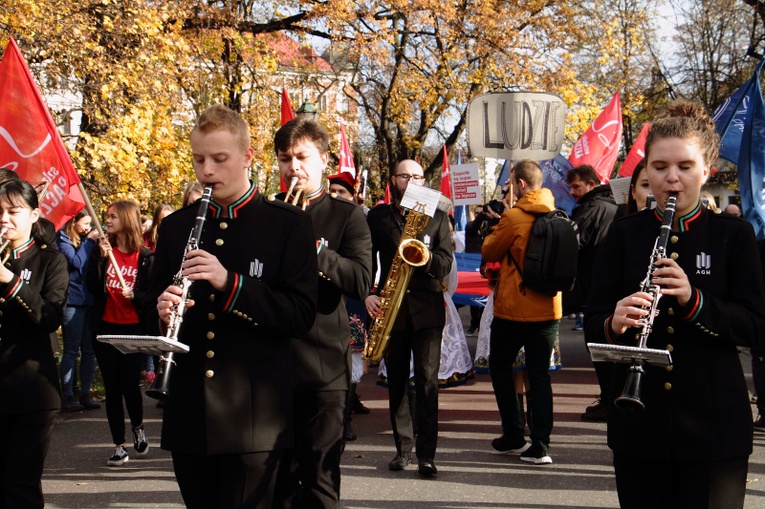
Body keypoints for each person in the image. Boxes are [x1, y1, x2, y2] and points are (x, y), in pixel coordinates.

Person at [586, 100, 765, 508]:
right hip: (639, 424)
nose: (672, 179)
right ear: (645, 170)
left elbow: (757, 327)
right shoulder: (624, 234)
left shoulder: (733, 236)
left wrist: (694, 301)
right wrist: (614, 321)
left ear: (707, 171)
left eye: (685, 167)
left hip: (714, 426)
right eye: (660, 167)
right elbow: (594, 319)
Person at [151, 104, 317, 509]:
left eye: (219, 159)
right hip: (189, 411)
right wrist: (160, 310)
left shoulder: (287, 224)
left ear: (247, 157)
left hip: (254, 418)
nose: (207, 170)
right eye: (199, 159)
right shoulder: (176, 227)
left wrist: (231, 283)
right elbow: (146, 301)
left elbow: (299, 315)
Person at [273, 117, 372, 508]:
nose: (293, 166)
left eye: (301, 157)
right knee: (277, 482)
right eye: (284, 158)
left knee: (320, 481)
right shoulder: (267, 212)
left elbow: (360, 281)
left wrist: (314, 250)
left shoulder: (348, 216)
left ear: (323, 160)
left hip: (323, 369)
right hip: (272, 366)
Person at [365, 159, 452, 477]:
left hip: (427, 312)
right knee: (397, 382)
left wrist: (426, 257)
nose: (411, 181)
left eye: (417, 176)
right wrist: (367, 293)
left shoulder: (438, 217)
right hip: (393, 311)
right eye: (405, 176)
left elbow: (445, 262)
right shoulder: (378, 217)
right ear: (394, 180)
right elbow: (364, 257)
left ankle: (427, 454)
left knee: (428, 384)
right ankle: (403, 450)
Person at [481, 159, 561, 465]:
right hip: (548, 307)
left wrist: (496, 224)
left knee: (501, 367)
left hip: (514, 308)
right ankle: (541, 444)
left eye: (512, 182)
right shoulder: (557, 213)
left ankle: (513, 434)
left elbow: (489, 251)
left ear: (521, 185)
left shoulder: (513, 217)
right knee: (540, 376)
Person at [0, 179, 68, 508]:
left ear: (33, 215)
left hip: (30, 394)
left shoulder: (49, 261)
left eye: (13, 211)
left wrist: (9, 280)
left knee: (19, 489)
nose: (3, 219)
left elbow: (50, 318)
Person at [87, 199, 154, 467]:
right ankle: (118, 445)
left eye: (113, 216)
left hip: (133, 329)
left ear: (126, 219)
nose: (108, 220)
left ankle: (138, 426)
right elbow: (91, 286)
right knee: (112, 389)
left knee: (129, 385)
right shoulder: (103, 251)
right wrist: (99, 259)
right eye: (107, 216)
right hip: (105, 328)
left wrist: (135, 295)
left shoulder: (146, 257)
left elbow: (152, 295)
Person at [565, 164, 618, 421]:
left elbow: (570, 245)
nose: (573, 192)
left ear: (591, 184)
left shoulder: (591, 209)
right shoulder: (613, 206)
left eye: (576, 186)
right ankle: (610, 397)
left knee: (598, 346)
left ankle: (610, 400)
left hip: (595, 289)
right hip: (608, 288)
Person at [327, 171, 372, 442]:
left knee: (352, 355)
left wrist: (369, 292)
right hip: (327, 298)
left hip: (352, 296)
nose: (335, 196)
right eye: (331, 190)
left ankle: (345, 419)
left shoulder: (358, 221)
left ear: (352, 196)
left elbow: (366, 264)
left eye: (341, 192)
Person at [57, 210, 101, 412]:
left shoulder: (88, 241)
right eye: (84, 223)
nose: (87, 228)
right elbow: (76, 262)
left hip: (89, 300)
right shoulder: (63, 239)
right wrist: (89, 242)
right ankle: (67, 395)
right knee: (71, 350)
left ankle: (85, 393)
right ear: (73, 222)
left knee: (89, 351)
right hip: (73, 302)